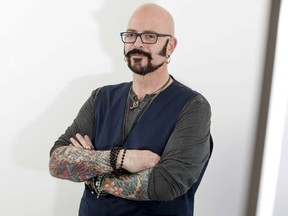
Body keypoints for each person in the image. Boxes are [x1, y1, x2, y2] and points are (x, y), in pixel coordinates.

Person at [49, 3, 213, 216]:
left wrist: (92, 172)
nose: (138, 44)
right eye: (131, 35)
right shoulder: (101, 97)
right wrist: (120, 158)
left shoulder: (193, 107)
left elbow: (165, 184)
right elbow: (57, 161)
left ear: (170, 45)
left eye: (149, 36)